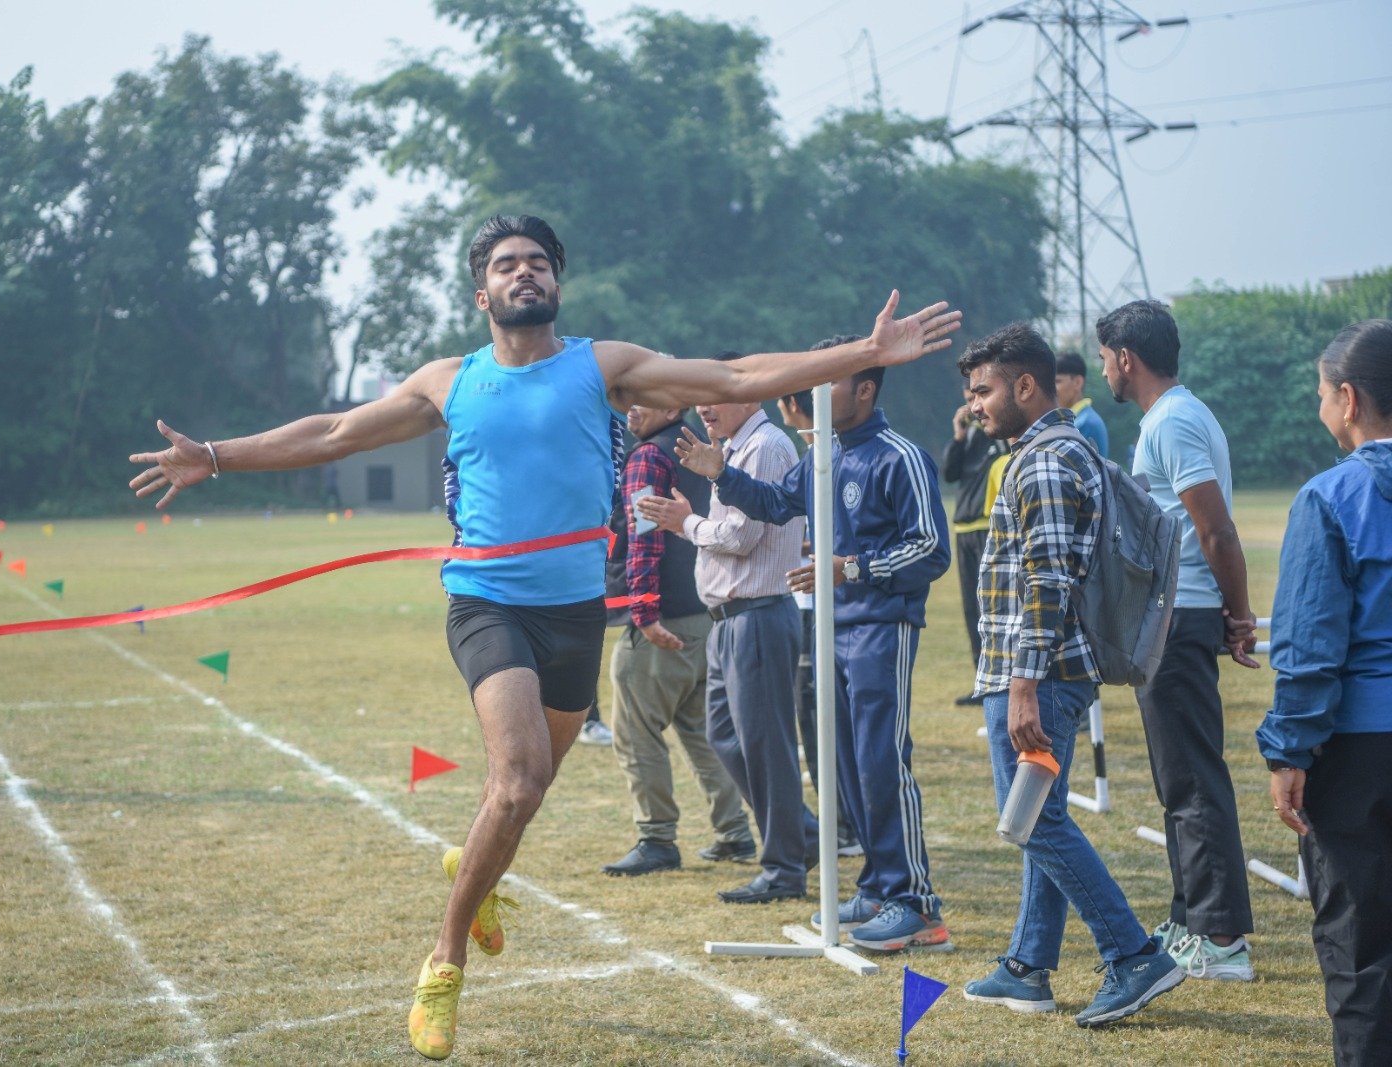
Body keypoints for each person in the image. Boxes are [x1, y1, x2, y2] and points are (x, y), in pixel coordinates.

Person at [127, 213, 961, 1060]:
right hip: (487, 602)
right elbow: (335, 431)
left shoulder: (604, 367)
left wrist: (864, 353)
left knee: (522, 789)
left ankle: (479, 873)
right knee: (519, 778)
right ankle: (445, 957)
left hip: (575, 615)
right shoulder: (449, 380)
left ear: (557, 282)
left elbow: (737, 374)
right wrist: (218, 455)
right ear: (481, 291)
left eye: (537, 262)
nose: (524, 272)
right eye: (506, 264)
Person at [659, 337, 954, 952]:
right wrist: (722, 475)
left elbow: (931, 549)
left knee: (881, 759)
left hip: (881, 625)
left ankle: (916, 903)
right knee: (844, 765)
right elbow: (775, 504)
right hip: (829, 626)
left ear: (865, 388)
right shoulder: (826, 454)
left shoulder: (900, 457)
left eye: (831, 381)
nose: (814, 392)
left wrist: (854, 568)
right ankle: (877, 887)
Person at [957, 323, 1184, 1027]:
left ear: (1026, 385)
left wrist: (1022, 685)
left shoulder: (1044, 463)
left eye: (984, 391)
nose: (974, 406)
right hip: (1043, 672)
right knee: (1039, 818)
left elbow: (1047, 581)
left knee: (1034, 823)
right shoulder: (1055, 451)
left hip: (1040, 676)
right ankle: (1028, 967)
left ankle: (1134, 953)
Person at [1098, 299, 1258, 980]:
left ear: (1125, 358)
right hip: (1167, 615)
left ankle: (1222, 938)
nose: (1103, 369)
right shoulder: (1165, 419)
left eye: (1104, 358)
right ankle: (1191, 915)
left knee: (1192, 780)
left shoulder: (1174, 421)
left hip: (1180, 614)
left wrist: (1239, 613)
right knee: (1177, 780)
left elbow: (1216, 530)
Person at [1257, 319, 1392, 1067]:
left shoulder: (1329, 497)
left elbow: (1310, 647)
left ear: (1349, 400)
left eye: (1319, 394)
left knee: (1359, 941)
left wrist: (1289, 750)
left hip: (1356, 750)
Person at [638, 361, 814, 904]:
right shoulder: (735, 448)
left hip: (757, 614)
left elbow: (741, 537)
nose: (704, 408)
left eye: (714, 396)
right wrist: (689, 521)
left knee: (766, 748)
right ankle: (802, 834)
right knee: (726, 737)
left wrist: (685, 523)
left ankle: (785, 868)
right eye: (699, 398)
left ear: (750, 394)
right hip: (731, 620)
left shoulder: (764, 447)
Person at [600, 403, 754, 876]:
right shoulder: (702, 449)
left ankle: (657, 838)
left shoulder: (649, 456)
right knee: (702, 732)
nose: (629, 409)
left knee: (636, 733)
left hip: (662, 621)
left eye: (642, 399)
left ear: (671, 404)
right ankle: (735, 831)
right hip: (705, 612)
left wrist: (644, 612)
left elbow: (644, 538)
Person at [777, 388, 861, 856]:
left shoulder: (829, 455)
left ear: (793, 406)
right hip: (808, 601)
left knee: (823, 715)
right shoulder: (812, 456)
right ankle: (839, 820)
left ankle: (846, 823)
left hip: (828, 605)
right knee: (811, 712)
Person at [941, 386, 1009, 705]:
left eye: (977, 398)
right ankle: (982, 680)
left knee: (991, 607)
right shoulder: (968, 436)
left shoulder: (998, 430)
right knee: (972, 609)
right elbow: (949, 473)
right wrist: (957, 436)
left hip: (986, 527)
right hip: (963, 528)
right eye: (967, 400)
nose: (972, 406)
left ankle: (1000, 679)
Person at [1055, 350, 1109, 458]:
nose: (1051, 388)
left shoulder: (1085, 424)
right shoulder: (1076, 420)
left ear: (1078, 382)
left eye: (1057, 381)